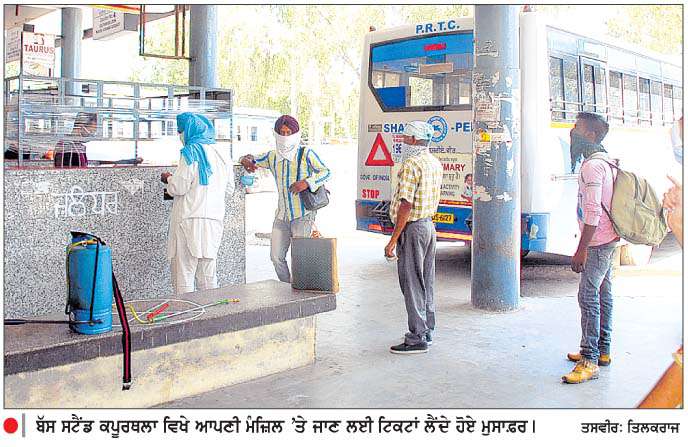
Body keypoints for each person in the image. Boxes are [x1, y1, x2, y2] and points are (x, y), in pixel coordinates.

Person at [563, 112, 620, 384]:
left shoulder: (592, 167)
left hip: (597, 242)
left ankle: (589, 359)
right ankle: (603, 350)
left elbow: (593, 211)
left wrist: (581, 249)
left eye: (577, 127)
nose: (572, 132)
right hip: (609, 238)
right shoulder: (606, 161)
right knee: (603, 293)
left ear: (591, 135)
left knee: (587, 296)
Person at [239, 115, 331, 283]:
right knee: (276, 257)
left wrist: (306, 183)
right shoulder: (272, 156)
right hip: (282, 216)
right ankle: (287, 287)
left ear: (296, 134)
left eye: (289, 132)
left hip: (302, 215)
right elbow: (253, 160)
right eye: (282, 132)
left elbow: (326, 172)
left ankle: (299, 289)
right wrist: (244, 160)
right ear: (276, 134)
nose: (285, 136)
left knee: (300, 259)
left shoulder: (306, 154)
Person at [384, 121, 443, 354]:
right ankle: (427, 329)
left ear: (415, 140)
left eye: (405, 137)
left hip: (413, 229)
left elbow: (406, 205)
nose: (403, 141)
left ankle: (417, 337)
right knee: (426, 280)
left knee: (411, 282)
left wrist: (392, 240)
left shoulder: (411, 164)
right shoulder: (434, 162)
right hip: (428, 226)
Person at [160, 112, 234, 294]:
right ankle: (209, 310)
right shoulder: (223, 155)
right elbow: (229, 189)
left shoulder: (191, 151)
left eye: (181, 131)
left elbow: (178, 187)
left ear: (189, 130)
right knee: (208, 276)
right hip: (214, 222)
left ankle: (186, 310)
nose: (180, 135)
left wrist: (168, 178)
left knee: (184, 274)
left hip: (188, 220)